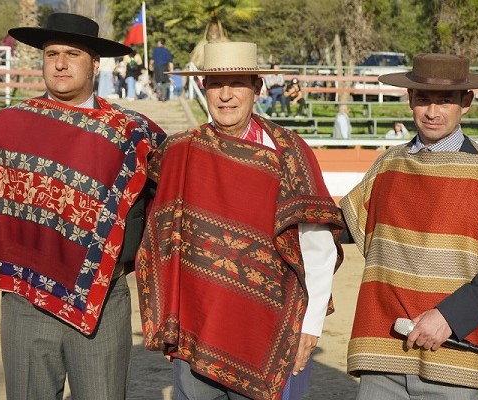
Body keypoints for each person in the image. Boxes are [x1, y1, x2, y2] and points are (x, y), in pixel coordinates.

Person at [0, 12, 166, 400]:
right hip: (25, 301)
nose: (60, 63)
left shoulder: (132, 132)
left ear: (95, 64)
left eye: (72, 54)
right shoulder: (5, 128)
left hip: (104, 302)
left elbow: (171, 206)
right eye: (51, 53)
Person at [340, 53, 478, 399]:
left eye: (444, 101)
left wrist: (449, 317)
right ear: (410, 99)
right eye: (423, 99)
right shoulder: (387, 165)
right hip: (384, 349)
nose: (432, 111)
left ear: (466, 102)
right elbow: (347, 224)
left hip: (458, 353)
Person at [136, 41, 344, 400]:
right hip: (197, 329)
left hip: (270, 329)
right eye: (216, 85)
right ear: (203, 89)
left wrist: (309, 326)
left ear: (257, 88)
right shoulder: (180, 152)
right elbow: (155, 226)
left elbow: (317, 247)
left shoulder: (289, 153)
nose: (226, 95)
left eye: (238, 83)